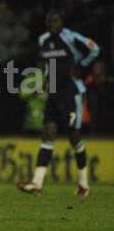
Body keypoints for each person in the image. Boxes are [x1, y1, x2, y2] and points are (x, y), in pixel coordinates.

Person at [18, 10, 99, 197]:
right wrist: (46, 80)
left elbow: (94, 49)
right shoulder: (43, 40)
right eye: (49, 22)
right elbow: (47, 65)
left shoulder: (71, 37)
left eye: (55, 21)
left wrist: (82, 66)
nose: (52, 24)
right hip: (53, 93)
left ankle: (83, 184)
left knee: (74, 136)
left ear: (61, 22)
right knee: (48, 133)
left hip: (71, 93)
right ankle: (37, 183)